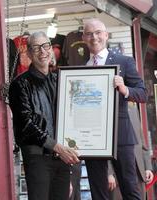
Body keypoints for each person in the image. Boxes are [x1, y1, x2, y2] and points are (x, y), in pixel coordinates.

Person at [9, 31, 79, 200]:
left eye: (46, 46)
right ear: (30, 53)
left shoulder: (61, 81)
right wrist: (57, 147)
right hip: (38, 157)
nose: (43, 51)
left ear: (51, 48)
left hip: (62, 157)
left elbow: (71, 117)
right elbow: (26, 124)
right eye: (36, 47)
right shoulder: (20, 84)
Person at [82, 18, 148, 200]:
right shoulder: (80, 69)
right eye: (89, 33)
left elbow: (143, 94)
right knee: (98, 191)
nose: (94, 37)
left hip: (121, 135)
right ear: (83, 38)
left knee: (129, 188)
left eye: (97, 32)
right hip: (92, 139)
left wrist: (125, 89)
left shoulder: (124, 61)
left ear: (106, 35)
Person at [108, 102, 154, 200]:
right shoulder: (109, 106)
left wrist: (147, 167)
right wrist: (109, 172)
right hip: (118, 173)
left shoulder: (132, 106)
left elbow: (141, 139)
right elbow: (105, 144)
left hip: (138, 171)